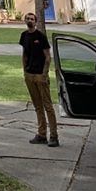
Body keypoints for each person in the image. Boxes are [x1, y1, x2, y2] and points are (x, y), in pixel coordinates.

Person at [20, 12, 59, 147]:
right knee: (37, 106)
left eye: (32, 19)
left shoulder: (40, 37)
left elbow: (48, 57)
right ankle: (42, 134)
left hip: (40, 75)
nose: (29, 20)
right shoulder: (24, 36)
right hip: (29, 75)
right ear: (25, 20)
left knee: (48, 106)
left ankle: (54, 136)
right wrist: (24, 71)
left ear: (35, 22)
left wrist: (44, 74)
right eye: (27, 18)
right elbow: (24, 54)